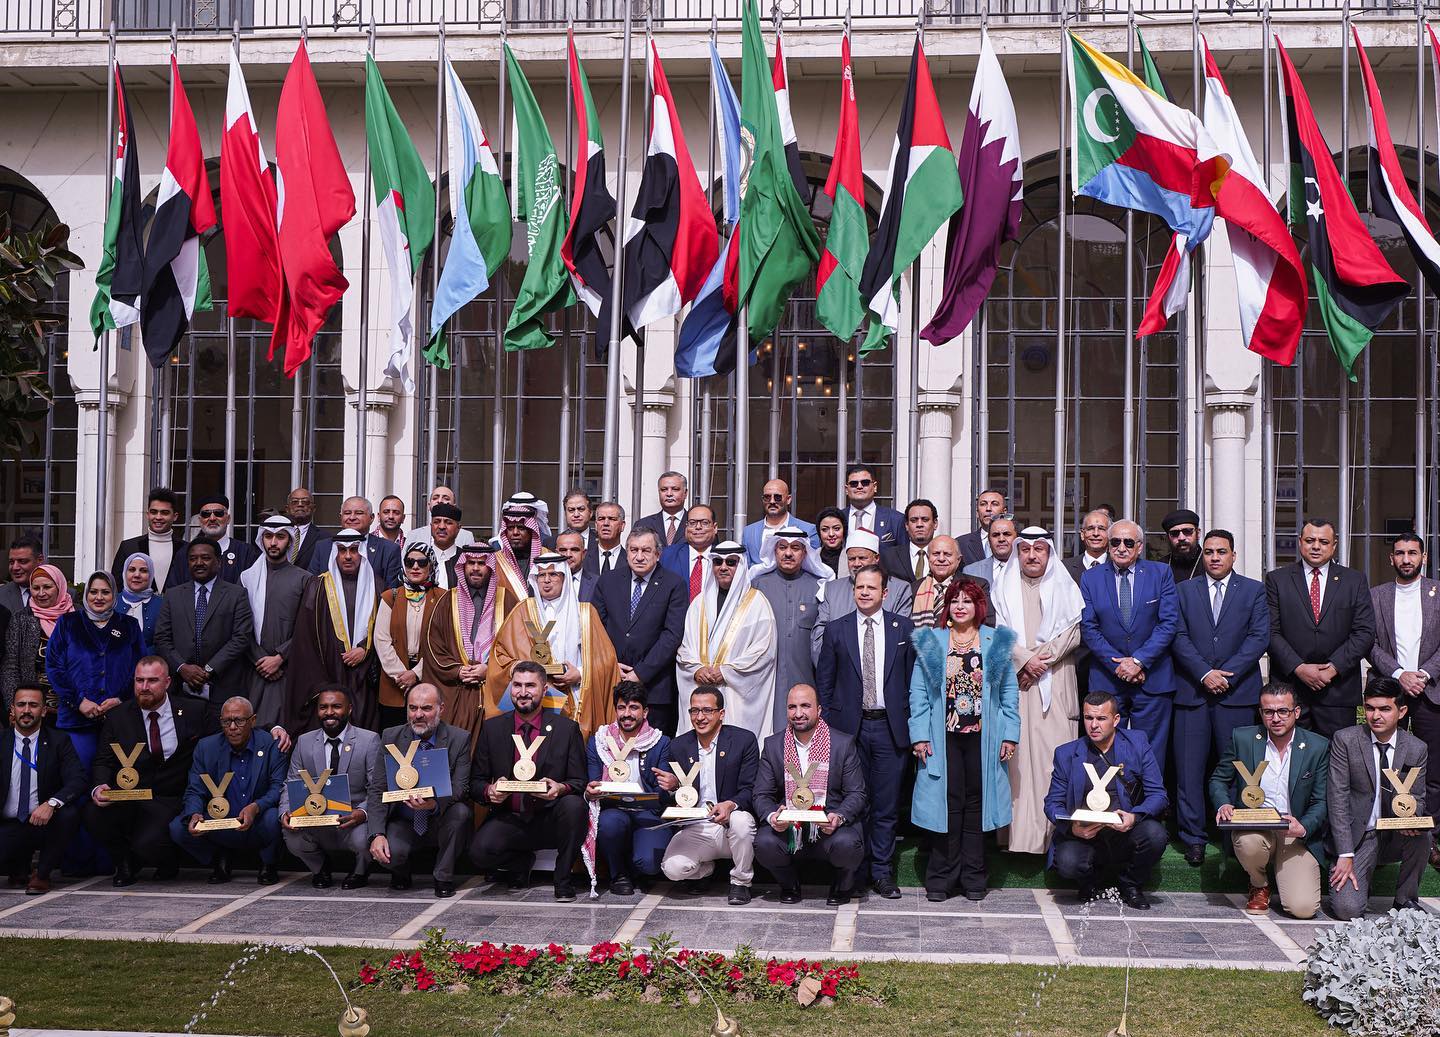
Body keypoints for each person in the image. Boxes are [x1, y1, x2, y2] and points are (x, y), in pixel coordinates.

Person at [909, 578, 1018, 900]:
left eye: (967, 601)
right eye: (954, 601)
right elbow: (918, 694)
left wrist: (1010, 735)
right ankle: (941, 879)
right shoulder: (932, 641)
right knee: (947, 804)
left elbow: (1009, 693)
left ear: (978, 606)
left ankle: (973, 878)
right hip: (943, 737)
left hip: (985, 738)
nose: (960, 606)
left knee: (976, 805)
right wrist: (919, 735)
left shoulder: (996, 641)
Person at [814, 564, 915, 897]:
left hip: (890, 729)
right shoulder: (836, 629)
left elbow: (913, 680)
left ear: (884, 593)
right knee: (853, 803)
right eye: (860, 587)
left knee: (886, 805)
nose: (865, 593)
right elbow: (825, 683)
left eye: (872, 588)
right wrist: (830, 730)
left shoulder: (904, 628)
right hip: (848, 732)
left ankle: (882, 872)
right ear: (853, 590)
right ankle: (852, 872)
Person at [1170, 529, 1270, 867]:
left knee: (1239, 771)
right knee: (1189, 771)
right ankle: (1193, 838)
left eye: (1222, 551)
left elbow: (1259, 637)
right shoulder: (1184, 590)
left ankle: (1234, 838)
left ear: (1233, 555)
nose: (1215, 557)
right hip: (1193, 693)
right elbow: (1177, 635)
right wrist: (1204, 673)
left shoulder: (1254, 590)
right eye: (1210, 551)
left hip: (1237, 694)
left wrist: (1227, 674)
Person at [85, 657, 219, 886]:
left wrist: (273, 730)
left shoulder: (194, 710)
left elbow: (225, 738)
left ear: (167, 682)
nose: (144, 687)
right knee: (92, 813)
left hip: (171, 797)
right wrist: (100, 786)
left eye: (152, 680)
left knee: (148, 843)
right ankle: (124, 863)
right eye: (139, 680)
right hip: (132, 795)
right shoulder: (118, 716)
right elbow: (103, 760)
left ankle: (166, 861)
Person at [990, 529, 1083, 856]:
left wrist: (1037, 661)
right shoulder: (1002, 588)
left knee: (1051, 761)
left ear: (1049, 553)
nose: (1032, 555)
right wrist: (1023, 660)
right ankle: (1017, 839)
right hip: (1016, 683)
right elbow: (997, 633)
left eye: (1039, 549)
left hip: (1054, 683)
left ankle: (1052, 840)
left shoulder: (1065, 586)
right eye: (1026, 549)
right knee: (1016, 764)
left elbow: (1072, 634)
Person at [469, 662, 588, 901]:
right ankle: (520, 862)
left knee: (575, 805)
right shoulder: (492, 728)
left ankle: (563, 879)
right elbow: (475, 782)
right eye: (517, 685)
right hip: (510, 818)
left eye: (530, 686)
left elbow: (579, 781)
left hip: (550, 819)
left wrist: (560, 788)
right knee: (478, 854)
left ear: (544, 690)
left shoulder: (566, 729)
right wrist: (489, 791)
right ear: (510, 689)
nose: (523, 692)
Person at [1209, 685, 1328, 919]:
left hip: (1294, 833)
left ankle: (1284, 873)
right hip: (1255, 827)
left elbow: (1321, 800)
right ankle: (1259, 884)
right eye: (1268, 712)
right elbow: (1218, 779)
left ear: (1296, 712)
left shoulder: (1317, 746)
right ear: (1261, 713)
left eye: (1283, 711)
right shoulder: (1243, 738)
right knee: (1248, 843)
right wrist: (1223, 804)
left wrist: (1304, 827)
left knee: (1303, 909)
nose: (1275, 718)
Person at [1044, 691, 1168, 909]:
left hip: (1124, 831)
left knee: (1155, 835)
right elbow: (1052, 803)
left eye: (1101, 718)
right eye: (1088, 718)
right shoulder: (1066, 753)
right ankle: (1090, 881)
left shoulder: (1137, 744)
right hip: (1085, 834)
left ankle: (1130, 884)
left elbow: (1158, 794)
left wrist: (1134, 817)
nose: (1094, 725)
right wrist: (1073, 828)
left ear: (1116, 719)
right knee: (1068, 862)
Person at [1079, 519, 1180, 774]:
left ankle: (1149, 799)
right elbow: (1089, 627)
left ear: (1140, 546)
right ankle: (1111, 798)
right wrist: (1119, 665)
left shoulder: (1160, 573)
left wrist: (1138, 661)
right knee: (1105, 749)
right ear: (1108, 545)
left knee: (1152, 751)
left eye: (1128, 542)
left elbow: (1168, 623)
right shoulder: (1090, 578)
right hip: (1107, 678)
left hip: (1152, 678)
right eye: (1115, 542)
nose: (1121, 548)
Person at [753, 683, 868, 905]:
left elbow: (857, 793)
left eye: (805, 706)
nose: (798, 713)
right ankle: (789, 885)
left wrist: (838, 817)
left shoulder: (842, 744)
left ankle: (842, 885)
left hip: (829, 827)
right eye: (792, 707)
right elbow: (761, 794)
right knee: (764, 842)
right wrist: (773, 816)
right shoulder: (773, 745)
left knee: (848, 844)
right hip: (789, 828)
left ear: (819, 709)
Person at [484, 552, 619, 739]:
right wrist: (521, 668)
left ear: (564, 577)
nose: (546, 580)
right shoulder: (522, 610)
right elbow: (500, 654)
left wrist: (580, 674)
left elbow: (607, 661)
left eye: (553, 574)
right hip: (530, 698)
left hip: (575, 697)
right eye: (541, 575)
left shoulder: (585, 613)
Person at [1328, 677, 1430, 918]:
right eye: (1370, 708)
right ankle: (1363, 881)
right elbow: (1337, 799)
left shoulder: (1416, 748)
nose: (1375, 716)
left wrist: (1412, 819)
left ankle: (1405, 900)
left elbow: (1418, 797)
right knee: (1347, 910)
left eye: (1384, 709)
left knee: (1422, 836)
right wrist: (1345, 853)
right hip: (1360, 837)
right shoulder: (1345, 740)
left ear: (1401, 711)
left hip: (1396, 834)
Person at [1265, 519, 1376, 740]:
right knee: (1291, 758)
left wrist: (1333, 668)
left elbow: (1364, 632)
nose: (1316, 546)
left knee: (1338, 757)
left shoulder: (1354, 580)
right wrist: (1298, 668)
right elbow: (1270, 631)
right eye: (1310, 540)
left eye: (1323, 542)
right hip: (1290, 692)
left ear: (1334, 546)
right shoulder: (1277, 580)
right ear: (1300, 542)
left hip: (1338, 691)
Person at [1369, 531, 1440, 866]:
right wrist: (1399, 674)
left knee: (1433, 770)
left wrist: (1422, 674)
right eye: (1400, 553)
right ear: (1391, 558)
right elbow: (1368, 643)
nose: (1406, 559)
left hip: (1431, 691)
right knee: (1384, 764)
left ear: (1423, 557)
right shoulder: (1376, 596)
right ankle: (1382, 835)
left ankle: (1431, 838)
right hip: (1389, 689)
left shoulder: (1438, 592)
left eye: (1413, 553)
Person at [366, 684, 473, 897]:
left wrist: (434, 804)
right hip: (403, 819)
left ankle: (443, 876)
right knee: (387, 853)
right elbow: (377, 788)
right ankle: (400, 870)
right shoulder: (390, 737)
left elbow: (461, 787)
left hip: (439, 817)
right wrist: (376, 834)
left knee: (461, 812)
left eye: (426, 708)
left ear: (441, 708)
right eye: (413, 708)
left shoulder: (459, 739)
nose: (418, 715)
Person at [657, 686, 760, 905]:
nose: (700, 717)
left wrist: (730, 805)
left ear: (721, 714)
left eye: (707, 710)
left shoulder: (743, 740)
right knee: (672, 869)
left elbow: (752, 789)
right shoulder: (678, 746)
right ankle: (704, 871)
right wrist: (673, 788)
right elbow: (666, 801)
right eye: (694, 711)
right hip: (697, 827)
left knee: (742, 821)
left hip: (731, 825)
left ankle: (741, 882)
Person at [169, 696, 287, 884]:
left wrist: (256, 807)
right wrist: (194, 813)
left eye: (239, 721)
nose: (232, 727)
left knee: (274, 817)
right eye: (226, 721)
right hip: (220, 821)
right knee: (178, 827)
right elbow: (195, 789)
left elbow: (278, 787)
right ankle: (219, 857)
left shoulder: (271, 744)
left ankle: (268, 862)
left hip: (258, 819)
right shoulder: (206, 747)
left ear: (253, 720)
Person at [280, 687, 381, 889]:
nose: (329, 712)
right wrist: (285, 812)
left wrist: (362, 813)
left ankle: (360, 871)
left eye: (336, 706)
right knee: (292, 836)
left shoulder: (369, 740)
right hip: (316, 817)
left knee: (366, 838)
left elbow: (377, 787)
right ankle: (320, 868)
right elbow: (290, 782)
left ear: (349, 709)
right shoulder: (304, 742)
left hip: (354, 820)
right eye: (323, 707)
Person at [677, 540, 777, 741]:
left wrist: (726, 672)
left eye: (731, 562)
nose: (723, 567)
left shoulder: (758, 603)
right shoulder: (699, 603)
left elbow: (764, 651)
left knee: (735, 746)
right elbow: (684, 648)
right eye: (718, 562)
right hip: (700, 687)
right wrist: (697, 669)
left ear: (741, 565)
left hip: (735, 695)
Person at [592, 529, 688, 735]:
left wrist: (640, 673)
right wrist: (611, 664)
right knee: (612, 746)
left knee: (651, 748)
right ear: (626, 552)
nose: (639, 556)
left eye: (646, 550)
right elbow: (596, 628)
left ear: (658, 554)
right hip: (612, 681)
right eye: (634, 550)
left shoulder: (674, 584)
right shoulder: (608, 581)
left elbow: (672, 635)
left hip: (655, 688)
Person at [46, 572, 143, 770]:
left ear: (114, 594)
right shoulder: (67, 623)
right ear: (86, 594)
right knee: (78, 776)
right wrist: (79, 701)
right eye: (93, 592)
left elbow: (140, 668)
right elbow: (54, 667)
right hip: (76, 720)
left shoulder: (129, 625)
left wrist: (120, 699)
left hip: (120, 718)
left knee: (118, 778)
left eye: (105, 592)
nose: (99, 597)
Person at [286, 529, 379, 733]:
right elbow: (305, 639)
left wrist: (365, 649)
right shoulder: (317, 586)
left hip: (364, 677)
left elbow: (386, 632)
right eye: (342, 550)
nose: (348, 556)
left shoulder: (377, 586)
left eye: (354, 550)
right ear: (335, 554)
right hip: (328, 672)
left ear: (362, 553)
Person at [584, 682, 672, 895]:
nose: (627, 714)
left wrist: (672, 785)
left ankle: (636, 867)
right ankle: (618, 873)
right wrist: (590, 791)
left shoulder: (660, 742)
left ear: (645, 711)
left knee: (649, 864)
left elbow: (663, 792)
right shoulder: (600, 741)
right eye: (622, 707)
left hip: (648, 812)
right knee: (611, 823)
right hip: (613, 810)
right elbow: (593, 781)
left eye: (634, 708)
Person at [422, 543, 511, 750]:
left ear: (490, 567)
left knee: (493, 751)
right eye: (471, 562)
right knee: (455, 749)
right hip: (457, 692)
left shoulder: (506, 600)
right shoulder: (447, 600)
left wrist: (490, 669)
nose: (475, 568)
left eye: (481, 563)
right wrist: (457, 670)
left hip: (493, 693)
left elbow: (516, 647)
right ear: (463, 565)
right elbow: (433, 646)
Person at [1, 686, 85, 893]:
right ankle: (18, 868)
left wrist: (52, 803)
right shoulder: (1, 741)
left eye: (33, 705)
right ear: (12, 709)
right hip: (7, 825)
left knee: (69, 814)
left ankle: (42, 875)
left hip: (42, 823)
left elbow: (78, 779)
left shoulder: (59, 741)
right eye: (21, 705)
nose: (26, 710)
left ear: (44, 710)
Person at [751, 527, 833, 735]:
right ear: (774, 551)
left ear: (805, 553)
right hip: (764, 679)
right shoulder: (757, 586)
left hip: (805, 678)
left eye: (795, 548)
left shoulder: (819, 587)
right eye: (783, 547)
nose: (788, 553)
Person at [154, 538, 256, 703]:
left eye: (206, 558)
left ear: (219, 562)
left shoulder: (237, 594)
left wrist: (208, 669)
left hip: (224, 685)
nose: (199, 563)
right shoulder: (172, 595)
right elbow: (162, 638)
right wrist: (182, 667)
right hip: (181, 687)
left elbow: (241, 637)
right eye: (193, 559)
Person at [239, 516, 308, 740]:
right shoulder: (247, 578)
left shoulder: (305, 579)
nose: (274, 542)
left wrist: (279, 657)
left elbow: (306, 627)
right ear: (261, 540)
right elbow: (240, 626)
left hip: (288, 669)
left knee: (286, 733)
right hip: (253, 668)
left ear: (289, 541)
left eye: (280, 537)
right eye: (268, 536)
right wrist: (261, 659)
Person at [375, 543, 449, 734]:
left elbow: (444, 643)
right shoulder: (390, 596)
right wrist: (401, 675)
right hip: (394, 682)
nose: (415, 567)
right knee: (395, 737)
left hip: (430, 675)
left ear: (431, 565)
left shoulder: (443, 598)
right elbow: (381, 640)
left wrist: (416, 673)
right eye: (409, 562)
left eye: (422, 562)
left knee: (428, 734)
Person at [811, 530, 913, 663]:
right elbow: (818, 638)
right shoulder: (832, 589)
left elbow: (900, 638)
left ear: (876, 558)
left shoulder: (899, 589)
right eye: (851, 559)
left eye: (862, 558)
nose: (856, 564)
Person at [2, 563, 73, 715]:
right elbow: (10, 668)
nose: (41, 593)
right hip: (31, 712)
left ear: (59, 587)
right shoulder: (21, 619)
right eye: (35, 588)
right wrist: (14, 708)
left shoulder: (77, 618)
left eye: (47, 587)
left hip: (73, 709)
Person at [307, 497, 403, 591]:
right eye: (347, 513)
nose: (352, 517)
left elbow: (392, 592)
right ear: (340, 517)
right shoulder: (323, 547)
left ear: (371, 518)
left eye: (359, 513)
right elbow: (313, 587)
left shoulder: (388, 549)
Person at [110, 488, 185, 593]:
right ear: (147, 514)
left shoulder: (186, 549)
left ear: (175, 516)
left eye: (164, 513)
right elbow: (116, 586)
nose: (158, 517)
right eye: (154, 512)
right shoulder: (128, 547)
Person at [186, 494, 259, 586]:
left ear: (228, 519)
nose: (212, 518)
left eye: (218, 513)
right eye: (206, 514)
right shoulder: (185, 552)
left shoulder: (246, 553)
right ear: (200, 520)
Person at [742, 479, 817, 565]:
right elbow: (745, 567)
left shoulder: (808, 530)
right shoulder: (749, 532)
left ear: (788, 499)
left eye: (777, 497)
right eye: (767, 497)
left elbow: (813, 566)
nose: (772, 501)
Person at [660, 504, 719, 604]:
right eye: (692, 523)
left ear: (715, 527)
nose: (698, 527)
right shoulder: (669, 555)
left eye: (704, 523)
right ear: (686, 527)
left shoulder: (724, 557)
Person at [493, 499, 548, 601]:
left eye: (521, 528)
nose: (515, 532)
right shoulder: (496, 560)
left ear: (531, 531)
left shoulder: (546, 556)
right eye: (510, 528)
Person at [840, 464, 907, 546]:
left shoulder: (896, 519)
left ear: (875, 487)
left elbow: (904, 551)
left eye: (865, 483)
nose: (859, 486)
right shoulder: (838, 518)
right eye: (854, 483)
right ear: (846, 489)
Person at [882, 499, 939, 587]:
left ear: (935, 524)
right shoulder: (889, 556)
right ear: (906, 525)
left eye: (925, 520)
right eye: (913, 520)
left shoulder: (945, 556)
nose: (919, 524)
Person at [403, 486, 476, 551]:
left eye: (446, 498)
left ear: (454, 506)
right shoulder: (413, 535)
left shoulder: (466, 536)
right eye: (435, 498)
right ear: (428, 505)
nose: (440, 501)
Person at [912, 535, 962, 629]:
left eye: (947, 554)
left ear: (958, 560)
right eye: (936, 554)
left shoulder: (975, 586)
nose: (941, 559)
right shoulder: (913, 589)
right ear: (928, 558)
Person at [117, 553, 164, 654]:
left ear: (151, 575)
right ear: (124, 573)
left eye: (143, 571)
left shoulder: (162, 605)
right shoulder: (112, 602)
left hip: (149, 662)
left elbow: (164, 642)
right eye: (132, 570)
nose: (137, 575)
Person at [635, 471, 690, 548]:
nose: (669, 494)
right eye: (664, 489)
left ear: (685, 493)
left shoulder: (694, 523)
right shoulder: (643, 524)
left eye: (675, 489)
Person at [962, 515, 1017, 591]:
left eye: (1007, 534)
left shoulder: (1026, 569)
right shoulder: (971, 571)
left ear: (1017, 538)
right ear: (989, 540)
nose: (1001, 539)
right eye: (995, 535)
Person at [283, 487, 331, 571]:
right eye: (295, 502)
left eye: (305, 502)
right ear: (287, 509)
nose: (300, 505)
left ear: (314, 508)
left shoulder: (325, 538)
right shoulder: (277, 535)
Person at [956, 489, 1007, 567]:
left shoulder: (1015, 542)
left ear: (1004, 512)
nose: (988, 508)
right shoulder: (961, 544)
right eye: (983, 504)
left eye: (994, 504)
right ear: (977, 513)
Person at [1064, 509, 1113, 586]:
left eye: (1101, 529)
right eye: (1090, 528)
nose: (1096, 533)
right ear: (1082, 534)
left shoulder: (1117, 566)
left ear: (1109, 535)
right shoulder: (1065, 567)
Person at [427, 503, 467, 591]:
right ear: (431, 526)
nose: (441, 527)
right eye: (436, 522)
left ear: (458, 528)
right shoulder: (420, 558)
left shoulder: (465, 560)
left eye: (448, 522)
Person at [584, 501, 629, 579]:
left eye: (612, 519)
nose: (606, 523)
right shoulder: (584, 559)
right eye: (601, 519)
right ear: (596, 525)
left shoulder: (630, 560)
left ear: (622, 525)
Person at [1161, 509, 1203, 586]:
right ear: (1167, 537)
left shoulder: (1210, 563)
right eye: (1174, 533)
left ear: (1198, 533)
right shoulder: (1160, 567)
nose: (1181, 538)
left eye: (1187, 531)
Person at [557, 531, 598, 603]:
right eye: (563, 550)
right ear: (556, 553)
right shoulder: (544, 582)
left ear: (584, 553)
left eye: (574, 550)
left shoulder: (597, 582)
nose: (568, 554)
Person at [813, 507, 847, 577]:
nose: (831, 534)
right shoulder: (812, 558)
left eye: (836, 529)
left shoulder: (851, 557)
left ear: (844, 530)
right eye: (825, 529)